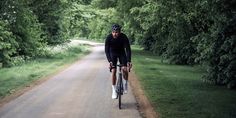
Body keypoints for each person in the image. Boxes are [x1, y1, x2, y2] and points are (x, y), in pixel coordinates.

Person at [105, 24, 132, 99]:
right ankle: (113, 90)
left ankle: (125, 83)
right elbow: (106, 51)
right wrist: (109, 61)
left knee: (124, 69)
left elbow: (128, 49)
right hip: (112, 53)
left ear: (119, 32)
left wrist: (128, 61)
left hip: (121, 53)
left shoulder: (124, 37)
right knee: (113, 71)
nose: (115, 34)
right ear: (112, 32)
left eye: (116, 32)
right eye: (113, 32)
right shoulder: (109, 38)